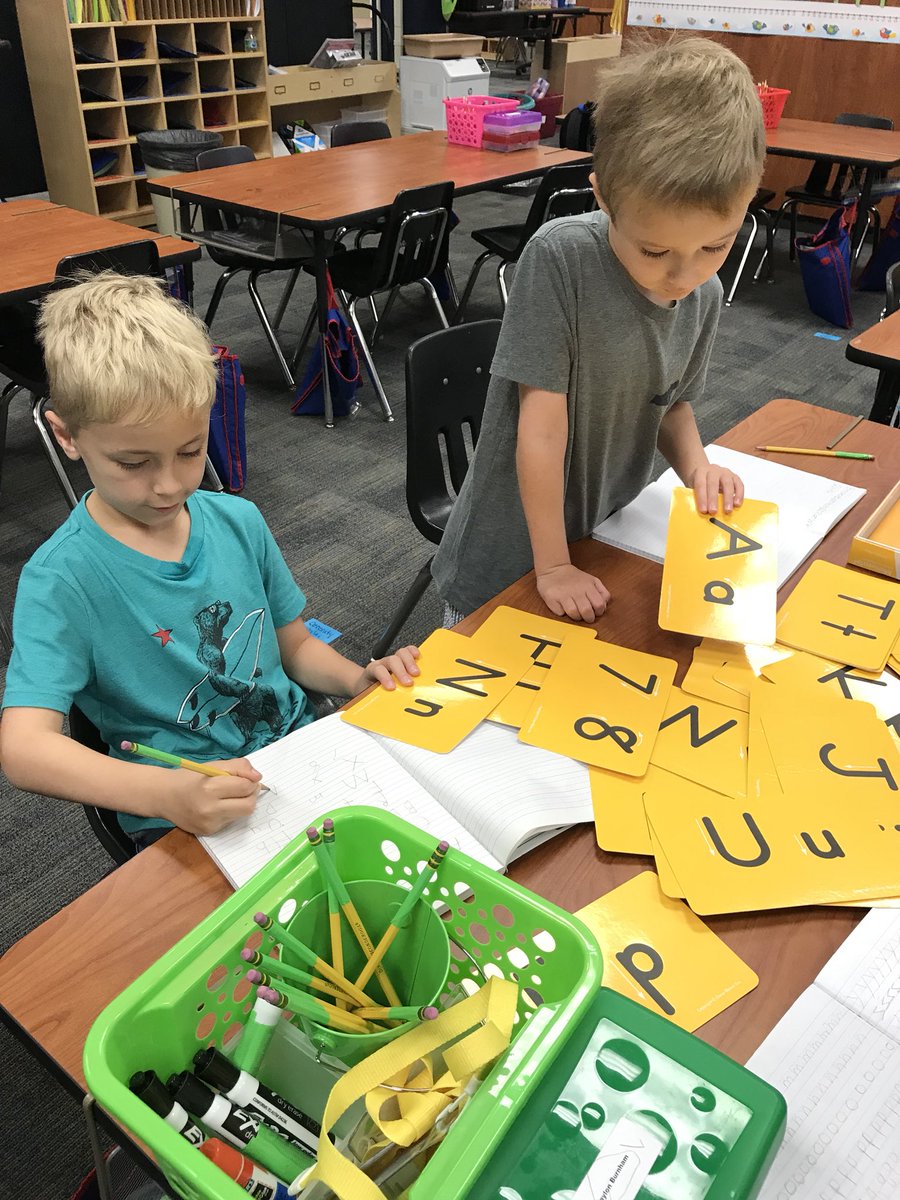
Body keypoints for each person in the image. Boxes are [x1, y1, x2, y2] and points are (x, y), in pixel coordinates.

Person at [0, 273, 419, 847]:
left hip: (299, 755)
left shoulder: (238, 521)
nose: (169, 485)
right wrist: (164, 794)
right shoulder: (61, 581)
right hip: (181, 812)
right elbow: (24, 750)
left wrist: (356, 679)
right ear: (67, 436)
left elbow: (293, 646)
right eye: (132, 463)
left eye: (190, 450)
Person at [432, 37, 764, 624]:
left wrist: (698, 469)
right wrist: (553, 566)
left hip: (602, 532)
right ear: (604, 198)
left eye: (716, 246)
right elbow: (541, 429)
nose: (683, 275)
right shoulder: (561, 260)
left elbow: (670, 404)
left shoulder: (704, 294)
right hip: (513, 552)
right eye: (655, 250)